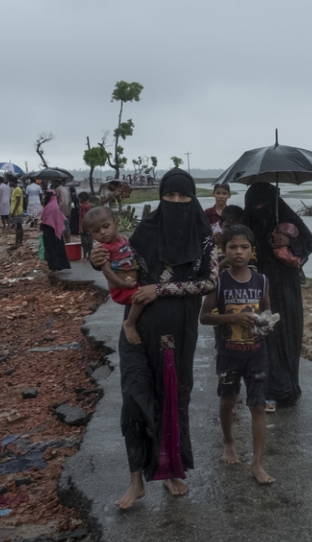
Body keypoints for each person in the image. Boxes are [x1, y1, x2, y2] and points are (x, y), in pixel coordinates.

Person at [89, 169, 218, 508]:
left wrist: (161, 289)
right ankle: (136, 481)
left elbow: (209, 282)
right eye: (170, 196)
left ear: (192, 198)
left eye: (183, 196)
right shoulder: (144, 232)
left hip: (178, 333)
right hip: (135, 329)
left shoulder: (204, 237)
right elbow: (121, 264)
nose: (176, 202)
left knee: (172, 399)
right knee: (134, 396)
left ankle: (171, 469)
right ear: (161, 197)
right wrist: (96, 260)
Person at [199, 224, 275, 485]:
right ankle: (228, 441)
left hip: (257, 353)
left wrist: (265, 324)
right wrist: (233, 317)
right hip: (228, 354)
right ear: (224, 251)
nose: (239, 252)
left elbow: (266, 312)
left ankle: (257, 463)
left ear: (253, 252)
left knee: (257, 406)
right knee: (228, 401)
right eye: (233, 247)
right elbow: (204, 317)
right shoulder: (218, 282)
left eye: (244, 247)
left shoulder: (262, 280)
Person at [243, 183, 312, 410]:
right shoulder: (246, 223)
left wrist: (289, 241)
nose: (259, 208)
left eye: (264, 203)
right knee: (264, 335)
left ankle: (289, 387)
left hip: (286, 287)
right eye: (254, 204)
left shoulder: (286, 218)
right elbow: (237, 249)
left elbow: (310, 242)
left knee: (287, 336)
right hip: (258, 286)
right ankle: (271, 390)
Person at [83, 206, 145, 346]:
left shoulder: (125, 239)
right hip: (121, 289)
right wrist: (122, 284)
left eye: (106, 226)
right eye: (96, 231)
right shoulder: (104, 249)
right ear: (91, 235)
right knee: (141, 299)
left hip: (130, 284)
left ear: (116, 223)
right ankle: (129, 323)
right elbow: (107, 272)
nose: (103, 233)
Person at [39, 190, 70, 271]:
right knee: (57, 248)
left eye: (46, 196)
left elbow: (47, 220)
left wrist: (42, 224)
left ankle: (54, 265)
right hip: (55, 231)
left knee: (51, 248)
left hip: (50, 230)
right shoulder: (54, 205)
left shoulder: (50, 207)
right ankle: (60, 265)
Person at [9, 179, 25, 247]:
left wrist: (14, 211)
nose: (9, 183)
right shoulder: (15, 190)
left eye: (10, 181)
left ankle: (17, 242)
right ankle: (20, 242)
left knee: (18, 227)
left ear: (14, 182)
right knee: (19, 227)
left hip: (17, 211)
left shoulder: (17, 190)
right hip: (16, 211)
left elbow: (18, 202)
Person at [79, 192, 93, 258]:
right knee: (89, 241)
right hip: (90, 226)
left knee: (84, 241)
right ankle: (89, 255)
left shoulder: (83, 206)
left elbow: (82, 217)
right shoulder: (89, 205)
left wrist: (80, 227)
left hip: (85, 226)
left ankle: (85, 256)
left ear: (81, 198)